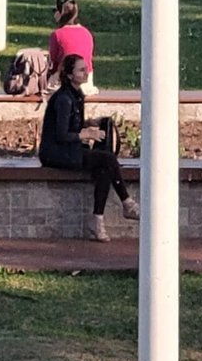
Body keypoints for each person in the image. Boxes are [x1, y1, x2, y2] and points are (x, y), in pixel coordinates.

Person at [38, 53, 137, 241]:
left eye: (86, 69)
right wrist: (86, 134)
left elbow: (73, 125)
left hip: (69, 150)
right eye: (81, 70)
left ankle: (98, 220)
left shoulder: (77, 96)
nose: (86, 73)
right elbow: (61, 134)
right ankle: (126, 203)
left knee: (104, 166)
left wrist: (92, 122)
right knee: (107, 160)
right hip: (55, 153)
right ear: (69, 75)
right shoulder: (63, 100)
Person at [47, 0, 95, 91]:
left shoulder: (57, 34)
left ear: (60, 13)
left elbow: (52, 64)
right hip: (86, 83)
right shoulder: (87, 33)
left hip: (66, 82)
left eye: (55, 11)